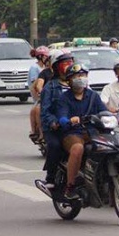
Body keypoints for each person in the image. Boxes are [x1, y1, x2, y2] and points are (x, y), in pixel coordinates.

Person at [56, 63, 109, 199]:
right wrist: (68, 120)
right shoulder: (64, 98)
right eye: (77, 76)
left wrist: (113, 116)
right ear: (69, 80)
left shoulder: (93, 96)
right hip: (73, 133)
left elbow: (103, 111)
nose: (81, 78)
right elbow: (62, 117)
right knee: (78, 148)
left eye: (83, 75)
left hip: (93, 132)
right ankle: (70, 186)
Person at [39, 49, 75, 189]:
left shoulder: (79, 85)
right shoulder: (50, 88)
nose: (69, 65)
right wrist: (54, 122)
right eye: (65, 63)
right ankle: (51, 177)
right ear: (56, 66)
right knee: (55, 146)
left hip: (76, 126)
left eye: (71, 62)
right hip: (55, 128)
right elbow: (45, 111)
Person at [27, 46, 50, 141]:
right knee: (35, 111)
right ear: (40, 57)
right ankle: (38, 132)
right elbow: (35, 85)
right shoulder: (36, 68)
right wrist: (40, 93)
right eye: (46, 57)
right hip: (42, 95)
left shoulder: (48, 69)